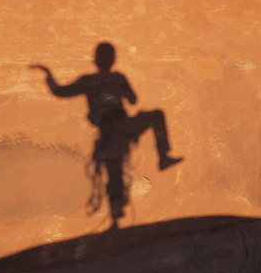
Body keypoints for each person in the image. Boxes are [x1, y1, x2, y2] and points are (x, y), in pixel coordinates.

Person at [30, 42, 182, 228]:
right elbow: (133, 100)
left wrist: (48, 75)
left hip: (109, 135)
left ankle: (115, 218)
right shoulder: (117, 78)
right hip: (123, 129)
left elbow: (60, 92)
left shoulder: (88, 80)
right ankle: (163, 157)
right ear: (112, 60)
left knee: (114, 173)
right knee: (155, 117)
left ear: (96, 60)